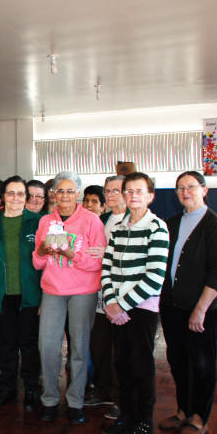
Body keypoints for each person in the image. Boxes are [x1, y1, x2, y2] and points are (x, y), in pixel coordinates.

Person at [158, 171, 217, 434]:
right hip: (172, 306)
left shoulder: (214, 224)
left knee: (202, 363)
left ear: (204, 189)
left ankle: (200, 416)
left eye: (190, 186)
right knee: (178, 360)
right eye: (180, 188)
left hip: (202, 310)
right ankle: (183, 409)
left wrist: (200, 308)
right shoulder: (172, 223)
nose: (185, 191)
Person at [32, 171, 106, 424]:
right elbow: (38, 262)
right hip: (52, 291)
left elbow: (98, 263)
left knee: (79, 349)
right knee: (48, 347)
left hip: (83, 292)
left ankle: (75, 402)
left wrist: (70, 254)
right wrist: (42, 251)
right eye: (59, 190)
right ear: (53, 193)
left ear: (78, 193)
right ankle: (49, 399)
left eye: (69, 190)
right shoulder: (45, 222)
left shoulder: (91, 221)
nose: (64, 195)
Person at [100, 172, 169, 434]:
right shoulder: (117, 229)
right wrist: (110, 300)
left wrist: (121, 306)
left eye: (139, 191)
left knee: (141, 367)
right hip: (116, 308)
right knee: (123, 365)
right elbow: (106, 267)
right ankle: (126, 416)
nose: (133, 196)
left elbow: (154, 278)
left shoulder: (157, 228)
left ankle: (144, 421)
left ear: (150, 196)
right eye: (128, 191)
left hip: (140, 310)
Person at [0, 176, 43, 410]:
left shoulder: (39, 223)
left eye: (20, 193)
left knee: (29, 344)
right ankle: (8, 388)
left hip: (31, 297)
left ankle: (32, 388)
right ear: (2, 196)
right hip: (3, 297)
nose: (15, 198)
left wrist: (46, 297)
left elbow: (50, 262)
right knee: (7, 345)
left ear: (27, 197)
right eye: (10, 193)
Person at [84, 175, 127, 419]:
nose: (110, 195)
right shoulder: (102, 219)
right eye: (108, 191)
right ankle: (103, 391)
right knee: (99, 346)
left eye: (116, 191)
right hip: (98, 292)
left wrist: (108, 251)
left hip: (122, 296)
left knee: (121, 351)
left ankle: (122, 400)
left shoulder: (134, 219)